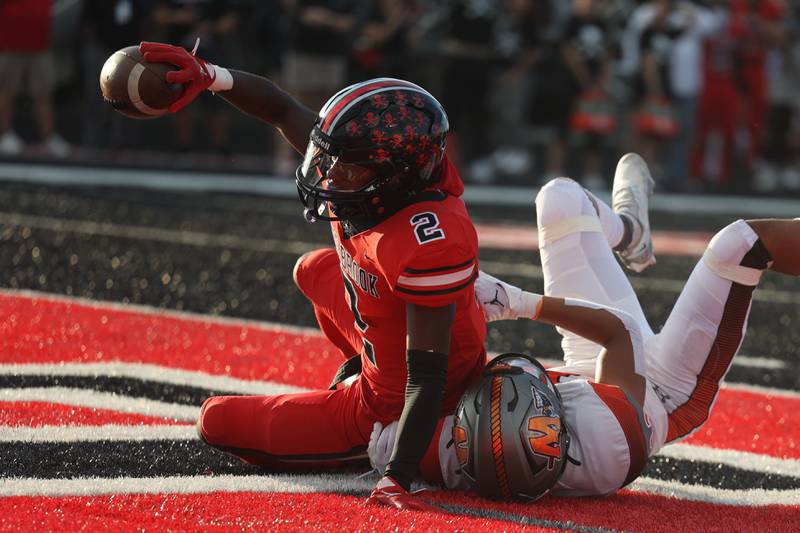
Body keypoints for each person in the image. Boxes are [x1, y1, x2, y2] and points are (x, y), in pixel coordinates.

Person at [134, 42, 488, 510]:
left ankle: (369, 432)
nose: (331, 172)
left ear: (395, 175)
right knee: (312, 268)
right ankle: (362, 362)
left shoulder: (427, 240)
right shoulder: (376, 175)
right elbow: (281, 107)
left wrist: (399, 475)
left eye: (348, 164)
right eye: (332, 155)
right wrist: (210, 74)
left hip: (397, 402)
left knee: (215, 420)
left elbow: (426, 376)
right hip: (393, 343)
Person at [368, 153, 799, 500]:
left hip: (593, 371)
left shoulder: (452, 452)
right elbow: (620, 331)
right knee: (739, 245)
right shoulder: (605, 444)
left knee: (558, 199)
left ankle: (630, 232)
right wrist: (521, 303)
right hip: (665, 391)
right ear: (553, 416)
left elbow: (378, 426)